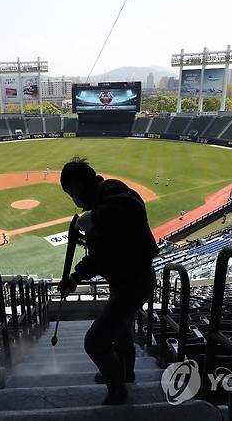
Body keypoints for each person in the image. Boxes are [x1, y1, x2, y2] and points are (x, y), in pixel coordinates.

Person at [57, 156, 158, 405]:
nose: (73, 198)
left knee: (95, 342)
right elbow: (98, 258)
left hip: (135, 282)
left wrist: (95, 218)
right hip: (125, 283)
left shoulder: (110, 189)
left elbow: (132, 208)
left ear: (79, 185)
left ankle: (118, 392)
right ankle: (127, 376)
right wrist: (74, 277)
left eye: (71, 191)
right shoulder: (98, 206)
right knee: (121, 333)